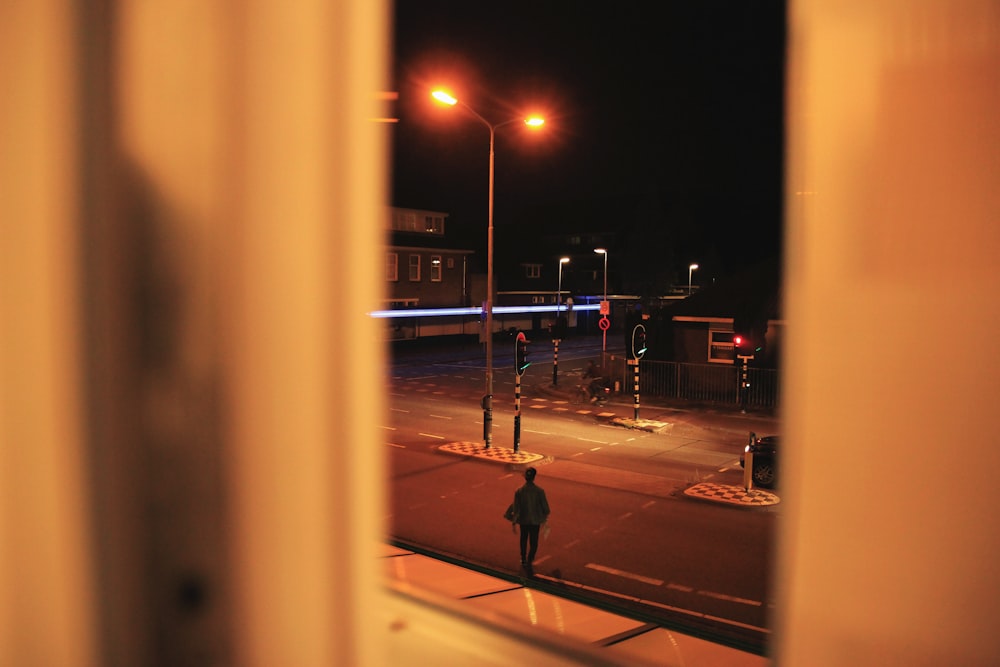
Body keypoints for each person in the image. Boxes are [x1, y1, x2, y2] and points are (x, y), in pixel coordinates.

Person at [509, 467, 550, 572]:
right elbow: (546, 508)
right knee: (534, 542)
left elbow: (516, 508)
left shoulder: (519, 491)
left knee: (523, 539)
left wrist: (514, 522)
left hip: (523, 520)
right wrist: (544, 517)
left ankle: (523, 559)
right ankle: (530, 559)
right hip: (535, 521)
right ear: (534, 477)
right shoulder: (540, 491)